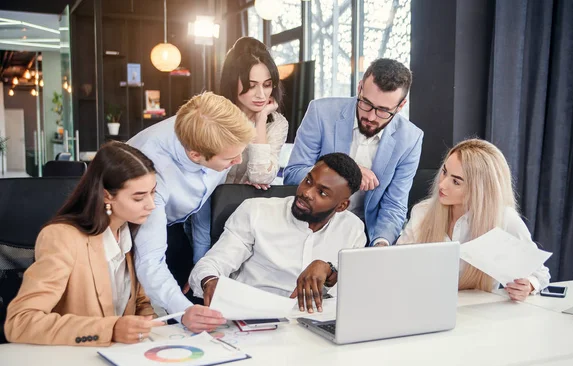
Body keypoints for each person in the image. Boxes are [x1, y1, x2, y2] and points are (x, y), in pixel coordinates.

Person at [5, 142, 164, 346]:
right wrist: (110, 329)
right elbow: (20, 322)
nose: (151, 205)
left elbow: (140, 303)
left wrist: (149, 324)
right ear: (107, 195)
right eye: (139, 197)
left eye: (153, 192)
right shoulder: (63, 238)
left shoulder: (131, 232)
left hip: (124, 359)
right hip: (75, 362)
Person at [127, 92, 254, 332]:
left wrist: (200, 265)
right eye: (230, 158)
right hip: (128, 227)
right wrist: (184, 311)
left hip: (180, 222)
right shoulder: (151, 171)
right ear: (195, 155)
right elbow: (150, 260)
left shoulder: (213, 132)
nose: (238, 161)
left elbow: (203, 204)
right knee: (165, 314)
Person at [189, 153, 366, 313]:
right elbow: (211, 264)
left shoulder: (353, 229)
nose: (306, 192)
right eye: (308, 181)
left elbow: (358, 284)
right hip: (255, 315)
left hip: (315, 322)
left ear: (342, 206)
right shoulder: (256, 211)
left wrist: (329, 268)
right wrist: (210, 281)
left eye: (321, 193)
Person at [284, 58, 423, 247]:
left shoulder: (410, 139)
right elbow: (293, 174)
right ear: (359, 88)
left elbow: (394, 205)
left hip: (363, 237)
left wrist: (381, 245)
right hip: (308, 226)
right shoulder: (321, 112)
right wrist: (349, 171)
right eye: (366, 103)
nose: (371, 117)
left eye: (383, 111)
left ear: (401, 106)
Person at [396, 139, 550, 300]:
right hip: (426, 305)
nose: (442, 184)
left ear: (479, 189)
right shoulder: (423, 212)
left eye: (456, 181)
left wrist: (529, 284)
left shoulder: (505, 219)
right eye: (444, 172)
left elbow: (540, 273)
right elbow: (397, 263)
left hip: (480, 313)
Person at [219, 37, 289, 190]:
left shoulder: (278, 123)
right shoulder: (215, 115)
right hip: (203, 201)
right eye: (251, 86)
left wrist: (261, 120)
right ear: (232, 82)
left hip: (245, 204)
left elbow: (261, 176)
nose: (261, 95)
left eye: (267, 85)